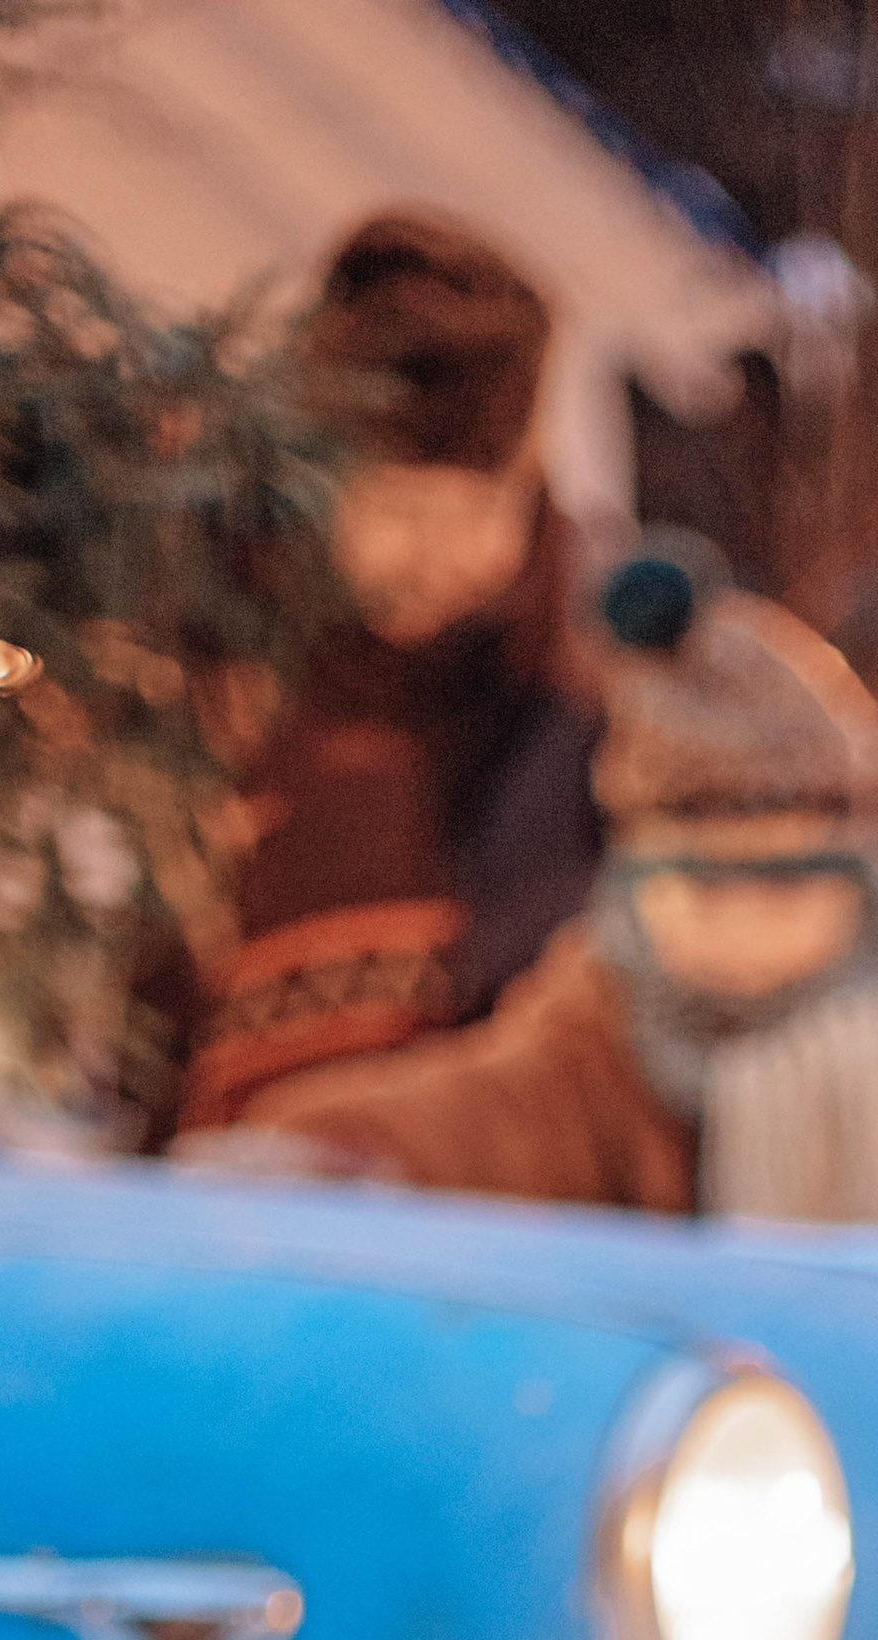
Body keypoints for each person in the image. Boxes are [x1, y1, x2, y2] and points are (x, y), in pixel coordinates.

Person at [225, 555, 878, 1304]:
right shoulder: (605, 1017)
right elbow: (484, 1110)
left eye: (782, 894)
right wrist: (333, 1150)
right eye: (699, 894)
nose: (739, 932)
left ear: (860, 884)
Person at [176, 211, 605, 1138]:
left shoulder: (565, 721)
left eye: (492, 504)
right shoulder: (198, 685)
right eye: (405, 506)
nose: (455, 554)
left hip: (456, 1233)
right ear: (306, 485)